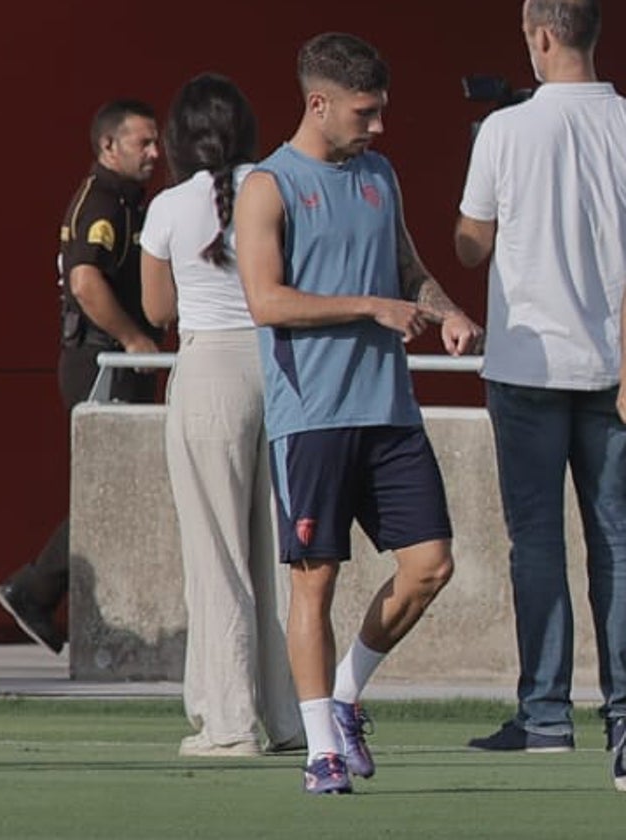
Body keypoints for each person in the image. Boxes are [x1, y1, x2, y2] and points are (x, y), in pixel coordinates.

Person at [234, 32, 482, 794]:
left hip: (390, 411)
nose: (377, 127)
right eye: (364, 113)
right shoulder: (267, 186)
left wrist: (444, 311)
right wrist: (370, 307)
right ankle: (321, 751)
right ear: (319, 103)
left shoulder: (380, 174)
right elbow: (265, 301)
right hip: (312, 418)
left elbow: (408, 268)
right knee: (316, 583)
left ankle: (343, 696)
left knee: (430, 566)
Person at [456, 0, 626, 790]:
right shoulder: (624, 124)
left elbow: (470, 243)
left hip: (527, 368)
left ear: (544, 36)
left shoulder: (504, 131)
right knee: (617, 545)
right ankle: (622, 715)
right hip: (612, 367)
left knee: (539, 543)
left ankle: (547, 714)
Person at [139, 73, 303, 757]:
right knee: (278, 556)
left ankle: (228, 720)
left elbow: (156, 311)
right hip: (280, 365)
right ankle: (291, 718)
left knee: (217, 557)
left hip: (210, 370)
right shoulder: (278, 188)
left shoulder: (171, 206)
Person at [0, 99, 163, 653]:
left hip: (121, 359)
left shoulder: (131, 202)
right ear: (108, 147)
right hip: (101, 359)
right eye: (143, 143)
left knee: (127, 486)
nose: (154, 154)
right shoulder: (103, 203)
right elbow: (86, 281)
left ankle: (43, 591)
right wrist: (134, 338)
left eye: (156, 142)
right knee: (110, 488)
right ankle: (35, 588)